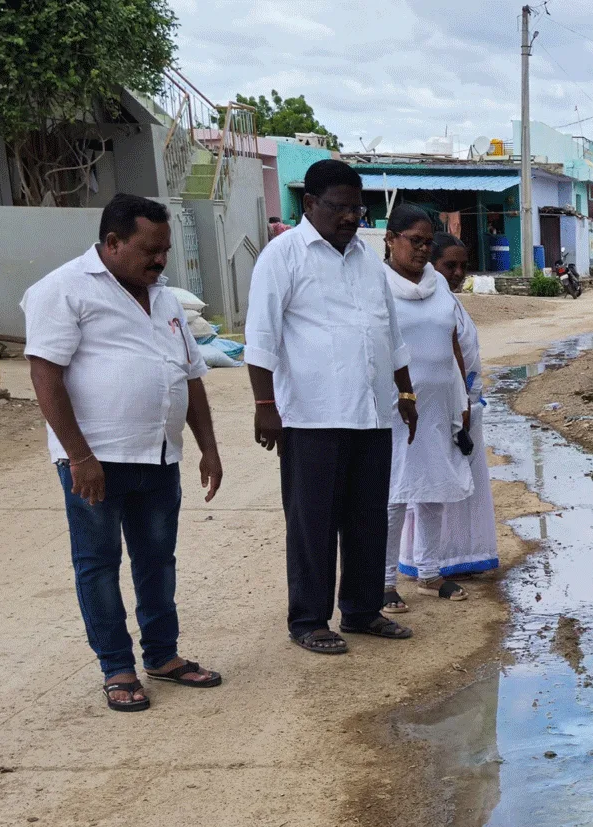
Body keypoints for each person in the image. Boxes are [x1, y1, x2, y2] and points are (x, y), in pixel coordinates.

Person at [23, 193, 224, 712]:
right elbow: (45, 377)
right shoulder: (64, 289)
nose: (161, 261)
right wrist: (80, 457)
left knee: (157, 562)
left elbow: (191, 376)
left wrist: (208, 448)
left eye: (166, 250)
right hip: (97, 462)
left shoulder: (165, 297)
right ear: (112, 243)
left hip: (158, 455)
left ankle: (162, 655)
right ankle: (116, 666)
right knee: (98, 564)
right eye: (150, 250)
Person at [245, 159, 417, 653]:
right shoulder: (283, 256)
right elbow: (261, 338)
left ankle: (362, 610)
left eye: (356, 209)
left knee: (367, 517)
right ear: (310, 205)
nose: (349, 218)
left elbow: (390, 333)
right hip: (311, 416)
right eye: (338, 208)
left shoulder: (367, 260)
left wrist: (404, 392)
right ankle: (309, 620)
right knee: (311, 522)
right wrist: (264, 405)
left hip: (370, 413)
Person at [381, 206, 475, 610]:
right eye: (414, 241)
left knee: (433, 487)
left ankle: (430, 572)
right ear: (390, 240)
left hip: (438, 405)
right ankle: (383, 582)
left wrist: (463, 398)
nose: (421, 249)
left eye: (426, 242)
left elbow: (452, 342)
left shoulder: (438, 287)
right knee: (394, 494)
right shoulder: (377, 286)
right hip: (395, 407)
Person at [397, 233, 499, 582]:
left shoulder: (449, 301)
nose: (456, 273)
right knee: (428, 485)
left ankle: (463, 554)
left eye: (462, 266)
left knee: (460, 484)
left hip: (464, 405)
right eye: (448, 265)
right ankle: (429, 561)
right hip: (438, 407)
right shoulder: (424, 302)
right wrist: (460, 402)